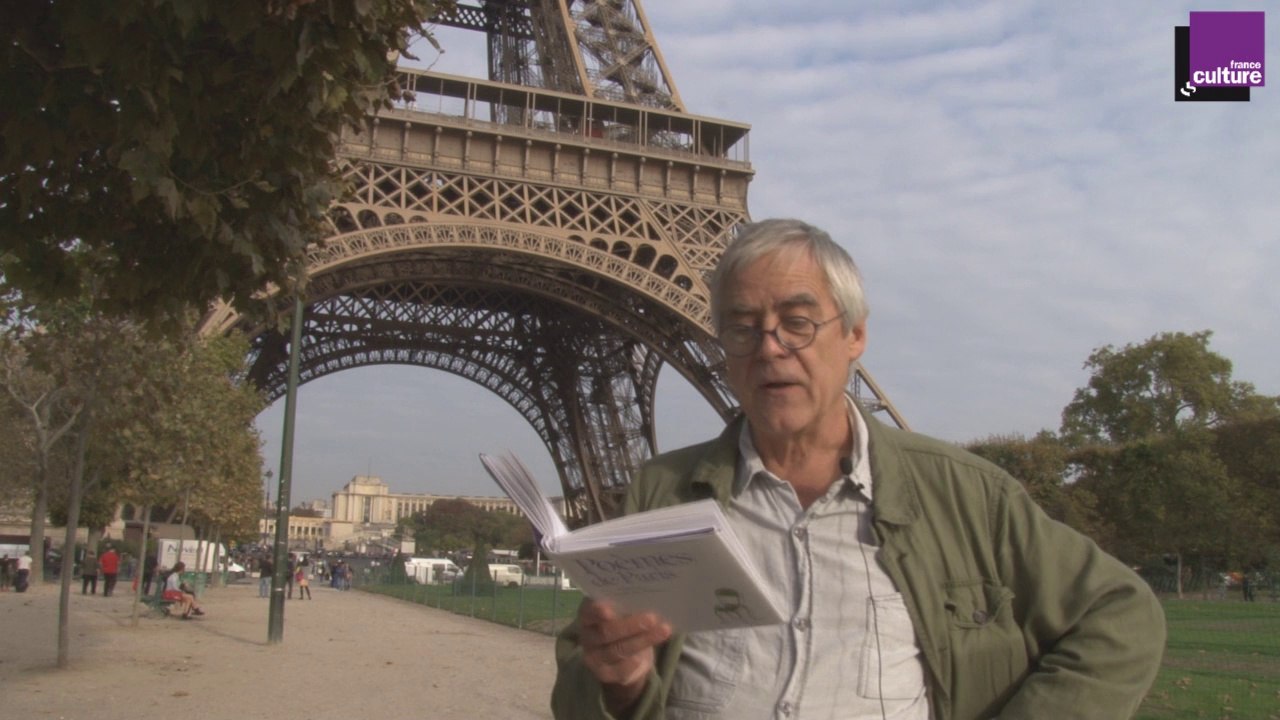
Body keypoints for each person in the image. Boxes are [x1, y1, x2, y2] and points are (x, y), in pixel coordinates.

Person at [551, 219, 1167, 720]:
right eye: (743, 327)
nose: (770, 346)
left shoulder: (969, 495)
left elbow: (1121, 615)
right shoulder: (659, 493)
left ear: (854, 335)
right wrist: (621, 685)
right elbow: (583, 685)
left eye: (797, 322)